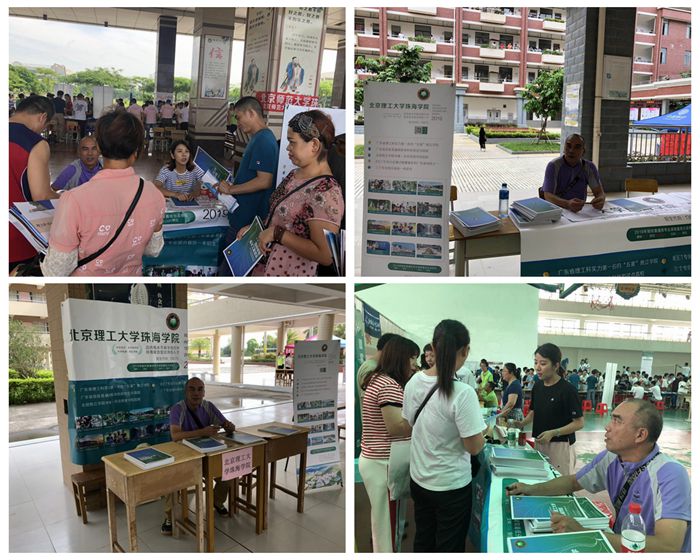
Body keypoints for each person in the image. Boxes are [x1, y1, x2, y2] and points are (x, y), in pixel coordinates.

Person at [508, 399, 690, 552]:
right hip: (621, 543)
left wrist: (585, 533)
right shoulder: (612, 458)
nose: (607, 427)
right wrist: (531, 489)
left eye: (617, 421)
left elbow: (668, 547)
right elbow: (573, 482)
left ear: (640, 434)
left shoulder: (670, 474)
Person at [41, 110, 165, 276]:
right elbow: (153, 249)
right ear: (137, 149)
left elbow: (56, 271)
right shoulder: (154, 194)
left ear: (99, 146)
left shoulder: (75, 199)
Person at [402, 319, 485, 552]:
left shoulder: (413, 382)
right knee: (449, 546)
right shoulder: (463, 393)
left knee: (424, 539)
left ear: (432, 348)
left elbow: (409, 426)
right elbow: (474, 447)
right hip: (451, 486)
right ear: (465, 351)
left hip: (420, 479)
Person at [240, 110, 344, 277]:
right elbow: (280, 217)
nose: (287, 147)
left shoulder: (326, 191)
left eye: (292, 142)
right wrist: (257, 231)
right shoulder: (294, 175)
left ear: (314, 145)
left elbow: (325, 255)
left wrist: (277, 234)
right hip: (265, 267)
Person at [359, 336, 415, 552]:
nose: (414, 364)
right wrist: (421, 417)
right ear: (400, 358)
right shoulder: (389, 385)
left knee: (383, 522)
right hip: (383, 463)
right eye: (411, 359)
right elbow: (397, 427)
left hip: (377, 460)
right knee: (387, 526)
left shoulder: (377, 379)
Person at [167, 377, 236, 533]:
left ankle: (217, 502)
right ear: (186, 392)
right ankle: (169, 515)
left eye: (200, 389)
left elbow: (224, 423)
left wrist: (229, 427)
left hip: (207, 453)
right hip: (184, 455)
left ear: (204, 392)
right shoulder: (177, 409)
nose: (196, 393)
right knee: (170, 480)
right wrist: (202, 432)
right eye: (192, 389)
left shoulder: (208, 406)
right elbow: (175, 436)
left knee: (228, 472)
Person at [216, 97, 278, 264]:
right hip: (242, 214)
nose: (238, 122)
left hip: (247, 219)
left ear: (251, 113)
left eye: (238, 117)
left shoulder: (264, 140)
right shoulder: (258, 138)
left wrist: (231, 189)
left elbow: (264, 181)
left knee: (232, 267)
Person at [516, 343, 584, 476]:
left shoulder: (568, 390)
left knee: (559, 487)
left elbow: (579, 423)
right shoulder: (538, 386)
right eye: (536, 363)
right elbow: (533, 412)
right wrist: (520, 423)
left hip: (560, 446)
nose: (537, 368)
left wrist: (554, 433)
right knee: (541, 481)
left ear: (556, 365)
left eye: (543, 363)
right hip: (540, 442)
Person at [9, 95, 59, 270]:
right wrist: (67, 198)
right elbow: (42, 195)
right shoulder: (34, 143)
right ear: (42, 117)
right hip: (15, 236)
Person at [541, 133, 606, 213]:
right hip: (556, 211)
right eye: (568, 146)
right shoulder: (553, 166)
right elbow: (547, 195)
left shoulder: (589, 167)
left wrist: (601, 199)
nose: (571, 150)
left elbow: (599, 192)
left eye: (577, 147)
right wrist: (567, 204)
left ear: (583, 151)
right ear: (564, 148)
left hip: (579, 212)